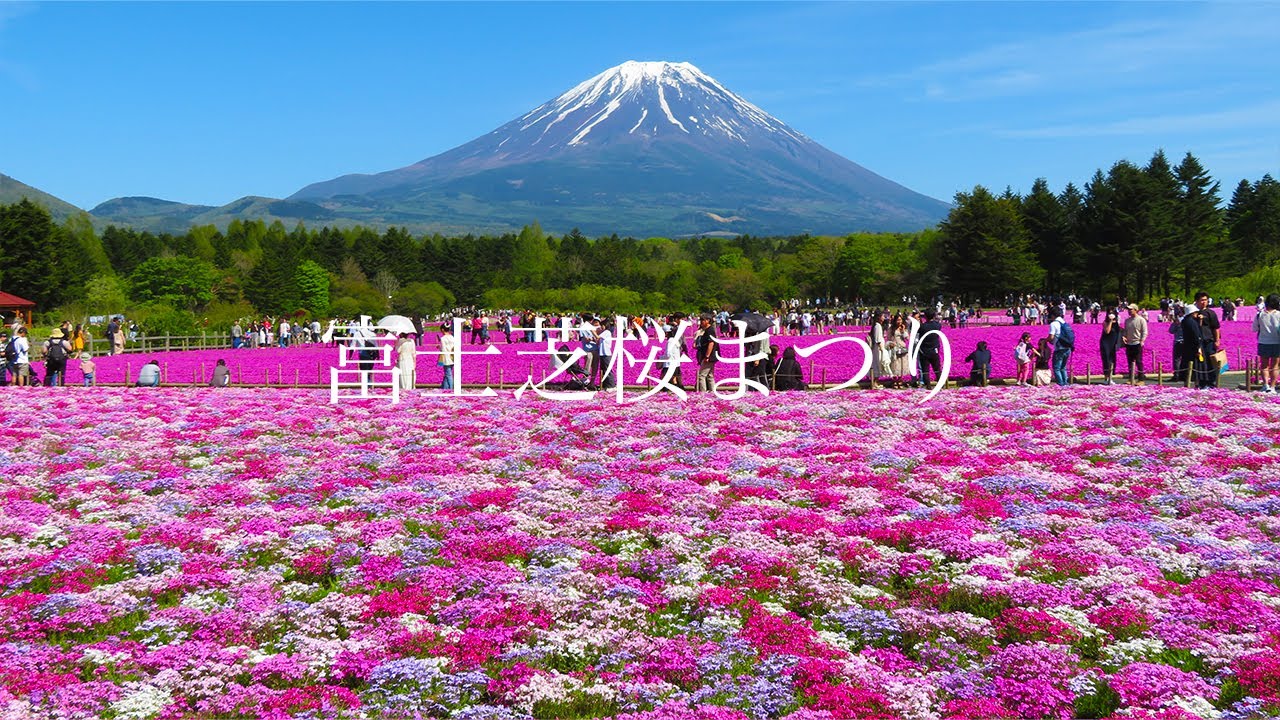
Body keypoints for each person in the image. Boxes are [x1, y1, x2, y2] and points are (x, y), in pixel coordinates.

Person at [1253, 293, 1280, 394]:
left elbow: (1254, 328)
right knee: (1275, 365)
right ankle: (1272, 386)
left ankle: (1265, 385)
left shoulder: (1260, 315)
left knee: (1264, 365)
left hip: (1263, 342)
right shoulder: (1279, 314)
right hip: (1277, 342)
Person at [915, 309, 943, 388]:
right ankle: (940, 383)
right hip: (934, 350)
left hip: (924, 350)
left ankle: (928, 385)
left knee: (925, 369)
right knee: (937, 368)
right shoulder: (937, 325)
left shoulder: (922, 326)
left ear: (925, 316)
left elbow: (917, 337)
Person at [1048, 308, 1074, 386]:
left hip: (1059, 348)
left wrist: (1045, 341)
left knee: (1056, 367)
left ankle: (1060, 383)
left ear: (1053, 315)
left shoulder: (1054, 323)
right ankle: (1065, 383)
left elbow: (1051, 337)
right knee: (1063, 367)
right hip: (1068, 347)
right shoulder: (1064, 322)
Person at [1122, 304, 1148, 382]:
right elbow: (1125, 331)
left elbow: (1144, 331)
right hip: (1129, 344)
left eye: (1131, 309)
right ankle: (1131, 378)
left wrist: (1142, 341)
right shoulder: (1127, 321)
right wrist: (1124, 337)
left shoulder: (1141, 320)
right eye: (1128, 310)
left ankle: (1141, 379)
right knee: (1130, 362)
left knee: (1139, 361)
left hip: (1137, 343)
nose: (1129, 311)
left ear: (1136, 310)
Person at [694, 315, 718, 392]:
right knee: (710, 375)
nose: (701, 322)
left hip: (709, 356)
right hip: (712, 356)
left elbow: (711, 343)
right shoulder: (708, 330)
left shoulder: (710, 330)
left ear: (708, 320)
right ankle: (713, 392)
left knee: (701, 375)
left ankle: (703, 393)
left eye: (702, 320)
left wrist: (707, 356)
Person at [1099, 308, 1121, 385]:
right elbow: (1107, 331)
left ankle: (1111, 377)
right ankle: (1106, 378)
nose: (1111, 315)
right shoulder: (1105, 322)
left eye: (1112, 313)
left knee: (1112, 360)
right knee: (1106, 360)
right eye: (1109, 313)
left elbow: (1118, 332)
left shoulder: (1117, 323)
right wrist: (1111, 321)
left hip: (1113, 344)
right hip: (1106, 343)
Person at [438, 324, 456, 390]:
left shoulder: (443, 338)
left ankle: (451, 388)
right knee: (447, 374)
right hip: (452, 357)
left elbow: (443, 349)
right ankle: (444, 388)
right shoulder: (452, 337)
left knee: (448, 375)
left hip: (446, 358)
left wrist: (439, 347)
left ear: (443, 330)